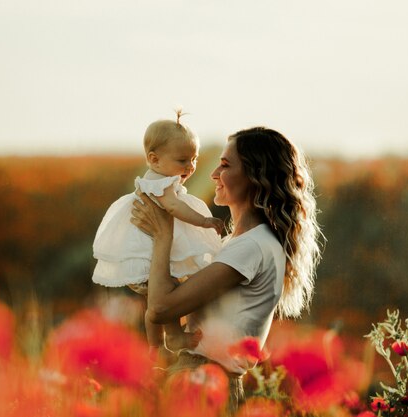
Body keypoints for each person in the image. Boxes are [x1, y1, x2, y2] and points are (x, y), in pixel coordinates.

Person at [130, 127, 322, 412]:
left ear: (256, 176)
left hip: (206, 388)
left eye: (225, 165)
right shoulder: (234, 244)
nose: (213, 174)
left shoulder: (253, 247)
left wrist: (162, 235)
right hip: (196, 379)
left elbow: (160, 309)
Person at [92, 110, 224, 356]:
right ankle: (172, 337)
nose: (191, 166)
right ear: (154, 159)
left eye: (194, 159)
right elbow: (175, 207)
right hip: (148, 257)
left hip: (144, 257)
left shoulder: (155, 179)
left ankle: (154, 346)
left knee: (154, 300)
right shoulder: (162, 185)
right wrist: (204, 221)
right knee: (168, 290)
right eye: (182, 160)